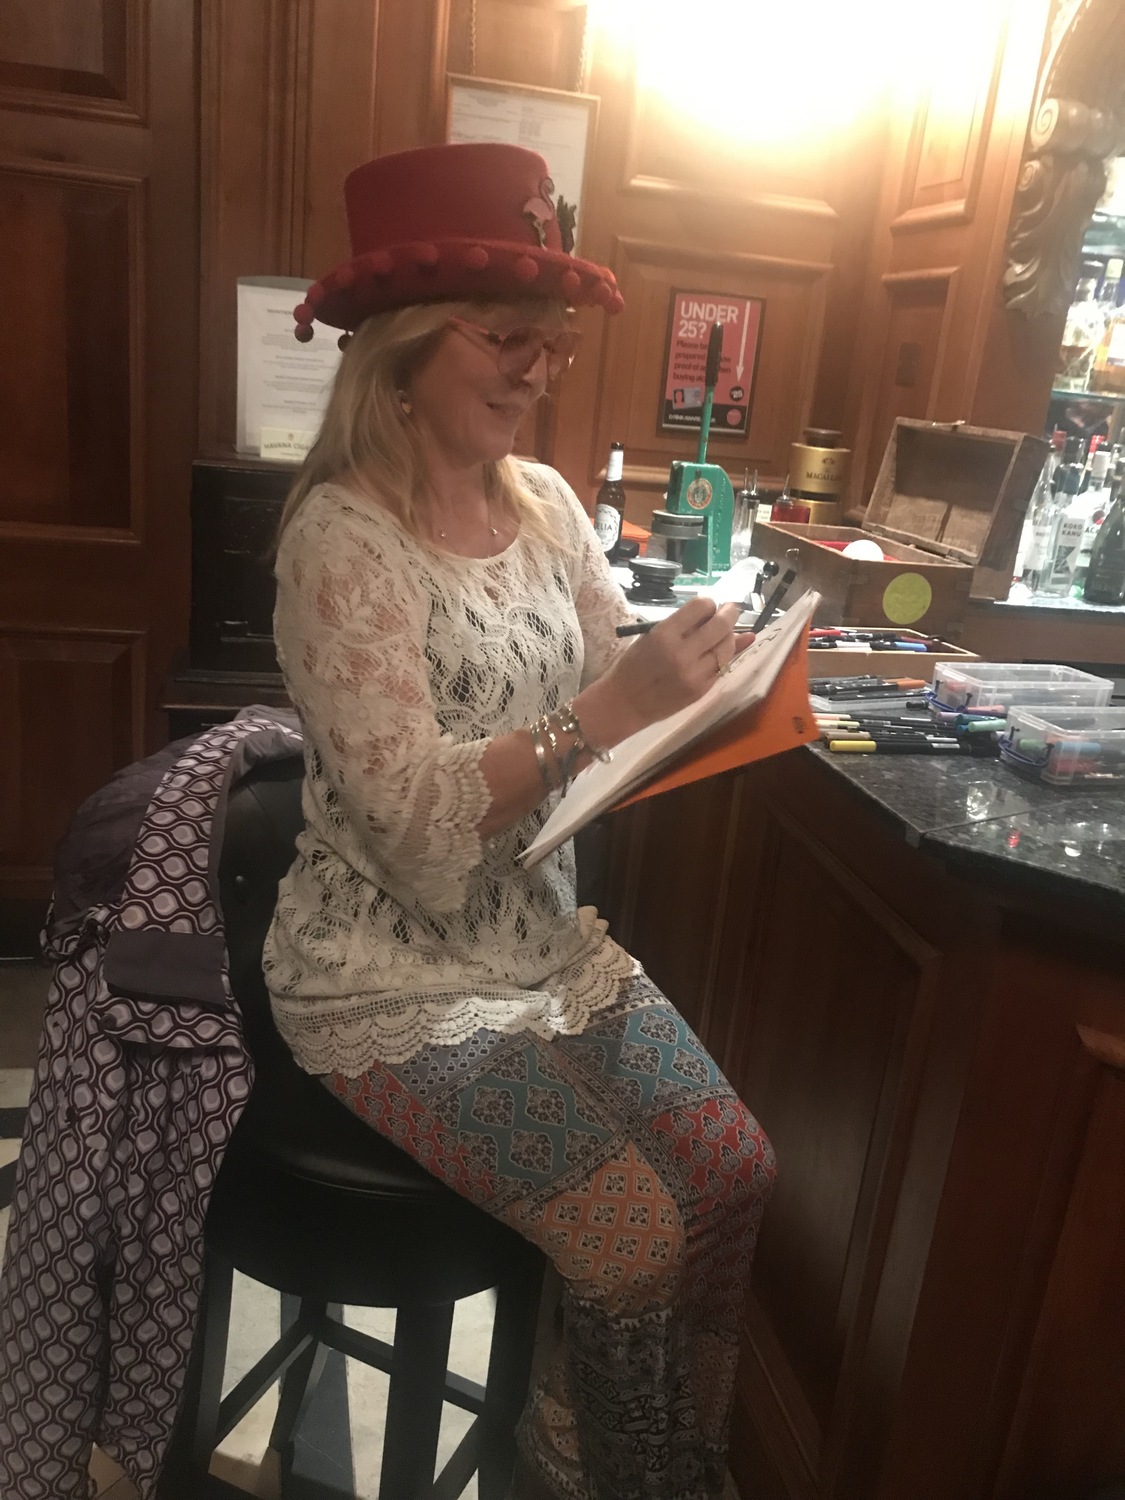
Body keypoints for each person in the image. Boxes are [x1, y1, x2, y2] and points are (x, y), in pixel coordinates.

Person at [265, 141, 777, 1500]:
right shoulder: (338, 541)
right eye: (507, 340)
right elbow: (416, 832)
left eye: (553, 344)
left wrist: (718, 688)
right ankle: (595, 1469)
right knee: (628, 1238)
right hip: (384, 976)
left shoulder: (545, 505)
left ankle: (656, 1452)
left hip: (540, 946)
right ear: (401, 347)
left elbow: (619, 688)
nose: (539, 371)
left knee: (734, 1172)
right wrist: (606, 715)